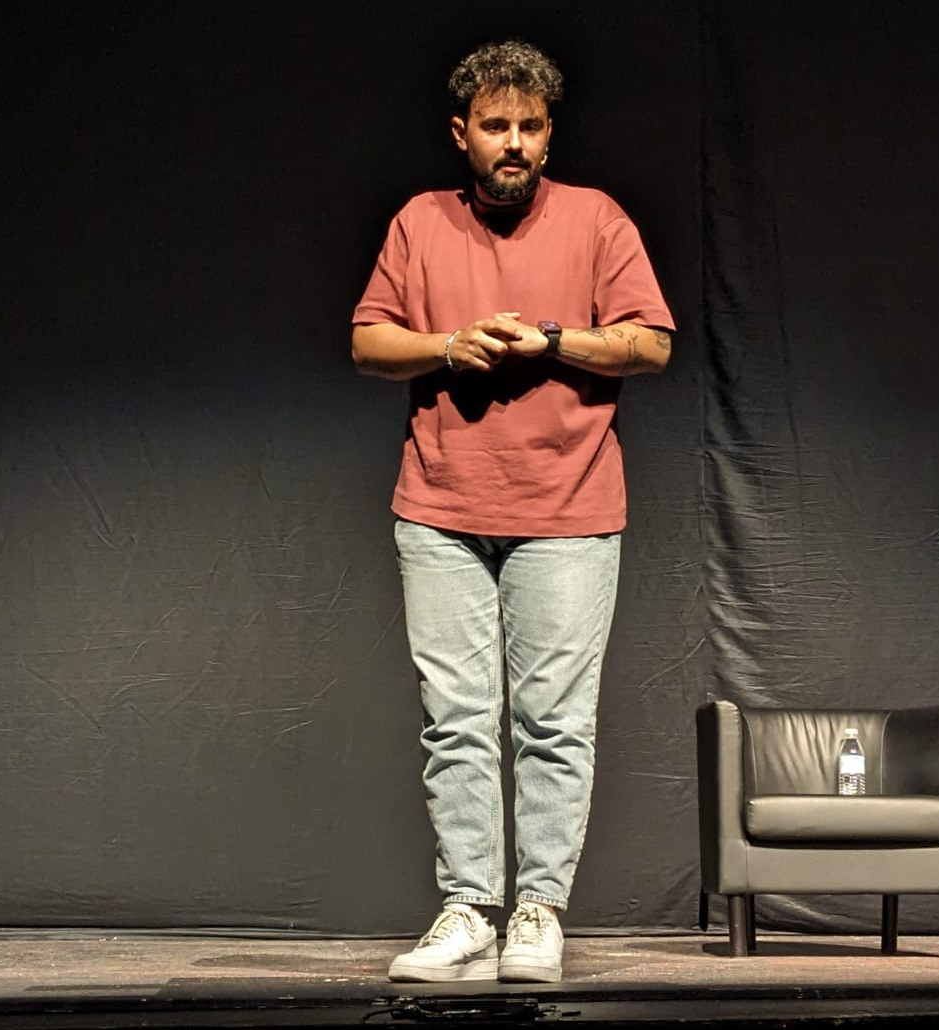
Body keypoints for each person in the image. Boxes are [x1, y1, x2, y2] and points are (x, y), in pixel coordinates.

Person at [351, 38, 675, 984]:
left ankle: (538, 912)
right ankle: (468, 909)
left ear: (549, 134)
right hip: (440, 507)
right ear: (462, 133)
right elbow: (368, 342)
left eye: (531, 126)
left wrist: (554, 338)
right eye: (497, 125)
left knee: (552, 723)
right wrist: (450, 344)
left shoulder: (596, 218)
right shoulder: (420, 221)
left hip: (568, 509)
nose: (516, 143)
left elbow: (652, 343)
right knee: (455, 720)